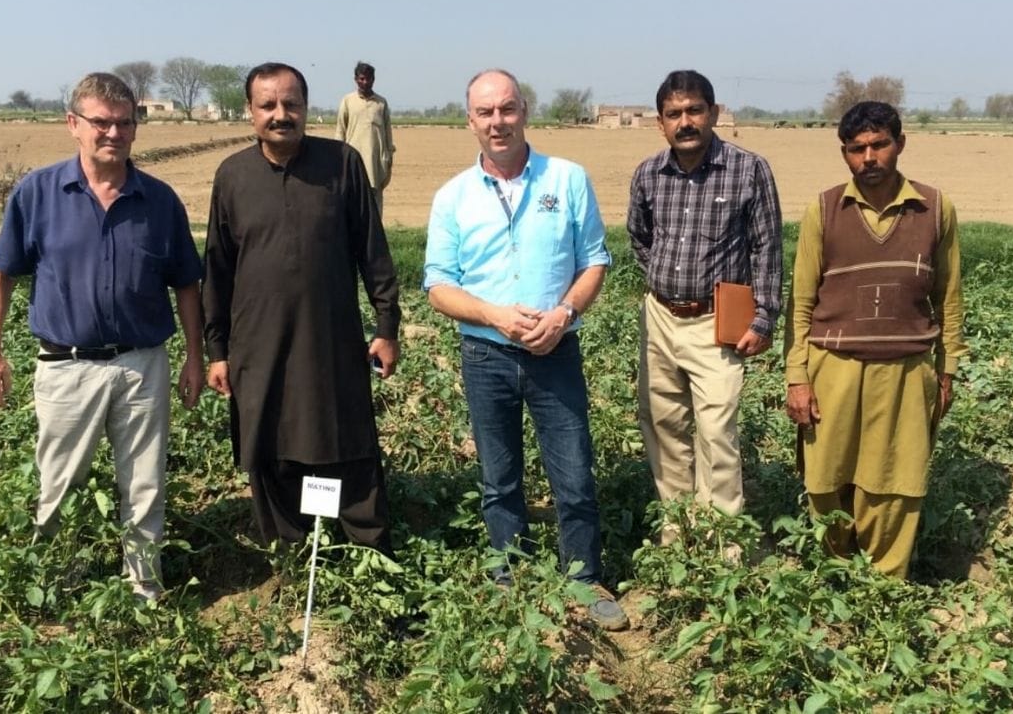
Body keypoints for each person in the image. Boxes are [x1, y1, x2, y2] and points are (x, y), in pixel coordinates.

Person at [0, 72, 204, 601]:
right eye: (100, 122)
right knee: (59, 480)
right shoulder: (38, 193)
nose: (113, 133)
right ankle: (54, 585)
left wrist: (195, 356)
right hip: (66, 366)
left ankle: (143, 587)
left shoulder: (160, 201)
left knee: (144, 483)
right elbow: (0, 274)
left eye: (124, 123)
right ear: (73, 125)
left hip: (141, 364)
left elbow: (188, 285)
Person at [423, 68, 628, 631]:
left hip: (555, 351)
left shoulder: (567, 178)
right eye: (485, 112)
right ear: (470, 120)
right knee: (499, 475)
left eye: (507, 109)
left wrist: (563, 315)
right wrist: (494, 314)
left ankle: (583, 580)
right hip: (485, 354)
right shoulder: (453, 197)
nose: (498, 122)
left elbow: (595, 261)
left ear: (525, 112)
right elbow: (438, 284)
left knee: (574, 470)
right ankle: (508, 574)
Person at [203, 62, 400, 555]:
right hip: (257, 340)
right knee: (269, 439)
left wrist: (386, 325)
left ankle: (366, 548)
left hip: (328, 335)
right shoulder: (232, 177)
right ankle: (290, 549)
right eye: (268, 105)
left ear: (307, 108)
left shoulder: (343, 165)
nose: (280, 114)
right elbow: (218, 266)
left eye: (291, 104)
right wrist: (217, 349)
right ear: (250, 112)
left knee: (344, 433)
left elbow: (373, 252)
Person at [783, 101, 966, 579]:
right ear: (844, 154)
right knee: (826, 479)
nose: (869, 157)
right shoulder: (823, 209)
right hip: (833, 364)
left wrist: (946, 370)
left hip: (906, 369)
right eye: (856, 149)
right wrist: (796, 377)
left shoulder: (934, 208)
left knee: (896, 483)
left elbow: (949, 297)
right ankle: (836, 574)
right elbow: (801, 301)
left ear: (899, 144)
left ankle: (885, 586)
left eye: (879, 144)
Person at [626, 70, 783, 543]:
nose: (685, 121)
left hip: (718, 321)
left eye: (695, 110)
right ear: (660, 122)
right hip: (660, 317)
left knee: (716, 432)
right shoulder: (649, 174)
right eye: (674, 114)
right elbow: (639, 238)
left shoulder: (748, 170)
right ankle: (678, 533)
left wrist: (764, 316)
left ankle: (722, 545)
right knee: (664, 425)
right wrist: (665, 278)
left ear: (713, 113)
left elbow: (767, 248)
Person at [336, 61, 396, 218]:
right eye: (362, 78)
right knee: (354, 204)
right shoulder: (348, 101)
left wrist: (389, 156)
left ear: (373, 80)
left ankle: (375, 240)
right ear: (356, 79)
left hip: (376, 164)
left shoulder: (381, 103)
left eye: (368, 79)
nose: (365, 82)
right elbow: (340, 131)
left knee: (375, 207)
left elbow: (388, 133)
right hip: (353, 162)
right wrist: (339, 158)